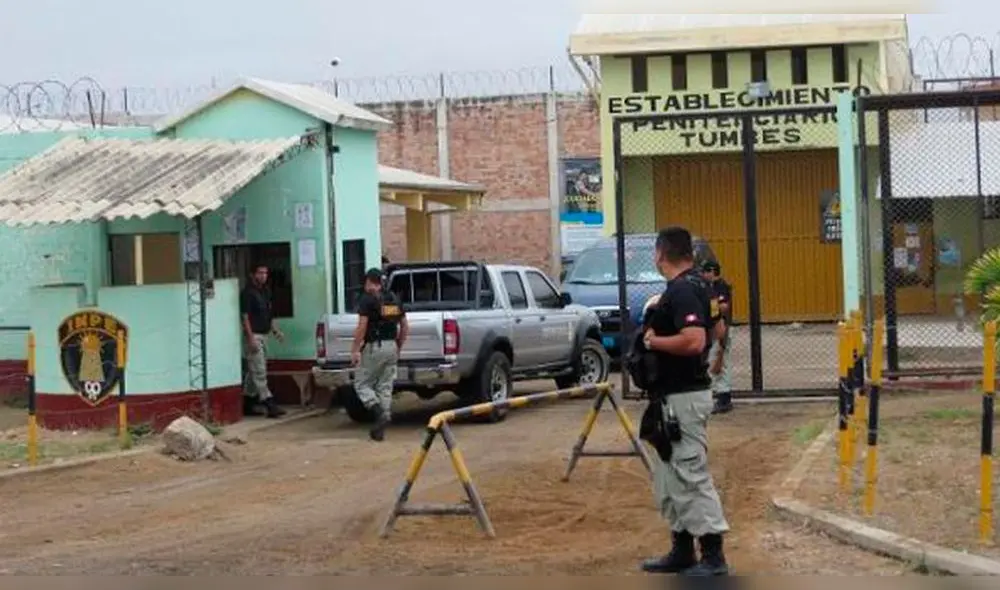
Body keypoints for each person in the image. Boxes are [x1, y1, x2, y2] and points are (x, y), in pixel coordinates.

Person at [640, 227, 730, 577]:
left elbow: (694, 341)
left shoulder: (682, 290)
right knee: (668, 475)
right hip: (671, 397)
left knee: (689, 474)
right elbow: (718, 331)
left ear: (661, 253)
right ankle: (681, 550)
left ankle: (713, 556)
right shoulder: (701, 286)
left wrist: (653, 342)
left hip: (683, 398)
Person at [350, 268, 408, 442]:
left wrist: (354, 350)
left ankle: (378, 412)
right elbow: (405, 326)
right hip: (391, 346)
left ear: (369, 281)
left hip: (375, 346)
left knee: (361, 384)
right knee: (385, 386)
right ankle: (382, 422)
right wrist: (398, 346)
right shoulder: (393, 299)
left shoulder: (367, 300)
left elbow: (362, 327)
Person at [240, 263, 287, 419]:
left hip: (264, 334)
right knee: (259, 371)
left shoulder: (266, 291)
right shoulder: (247, 293)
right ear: (252, 274)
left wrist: (276, 331)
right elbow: (245, 317)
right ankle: (269, 403)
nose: (263, 276)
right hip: (254, 336)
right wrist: (250, 337)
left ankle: (246, 402)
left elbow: (269, 314)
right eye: (260, 273)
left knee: (252, 373)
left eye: (265, 273)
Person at [701, 261, 734, 415]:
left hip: (722, 328)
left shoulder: (721, 285)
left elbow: (724, 306)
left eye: (706, 271)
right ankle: (715, 394)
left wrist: (709, 305)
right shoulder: (707, 287)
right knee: (711, 362)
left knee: (721, 361)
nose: (703, 274)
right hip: (711, 328)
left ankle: (724, 397)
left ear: (713, 272)